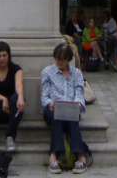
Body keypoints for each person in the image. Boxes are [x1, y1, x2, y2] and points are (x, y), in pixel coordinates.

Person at [41, 41, 88, 174]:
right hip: (53, 109)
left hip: (70, 108)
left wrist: (78, 104)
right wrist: (50, 103)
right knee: (57, 117)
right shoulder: (48, 72)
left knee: (72, 118)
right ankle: (54, 155)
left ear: (68, 59)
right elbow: (44, 95)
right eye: (57, 58)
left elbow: (79, 93)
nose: (59, 62)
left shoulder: (77, 73)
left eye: (62, 59)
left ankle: (80, 156)